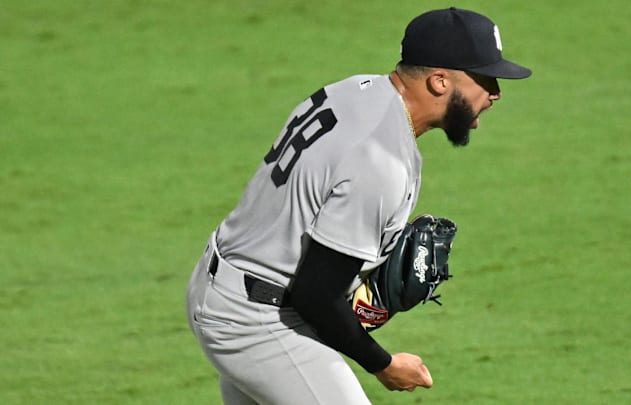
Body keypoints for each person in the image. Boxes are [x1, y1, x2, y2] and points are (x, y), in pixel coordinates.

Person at [186, 7, 531, 405]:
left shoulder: (355, 90)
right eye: (486, 80)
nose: (495, 93)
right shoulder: (381, 162)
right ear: (439, 81)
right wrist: (384, 365)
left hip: (229, 284)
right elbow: (317, 296)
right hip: (256, 321)